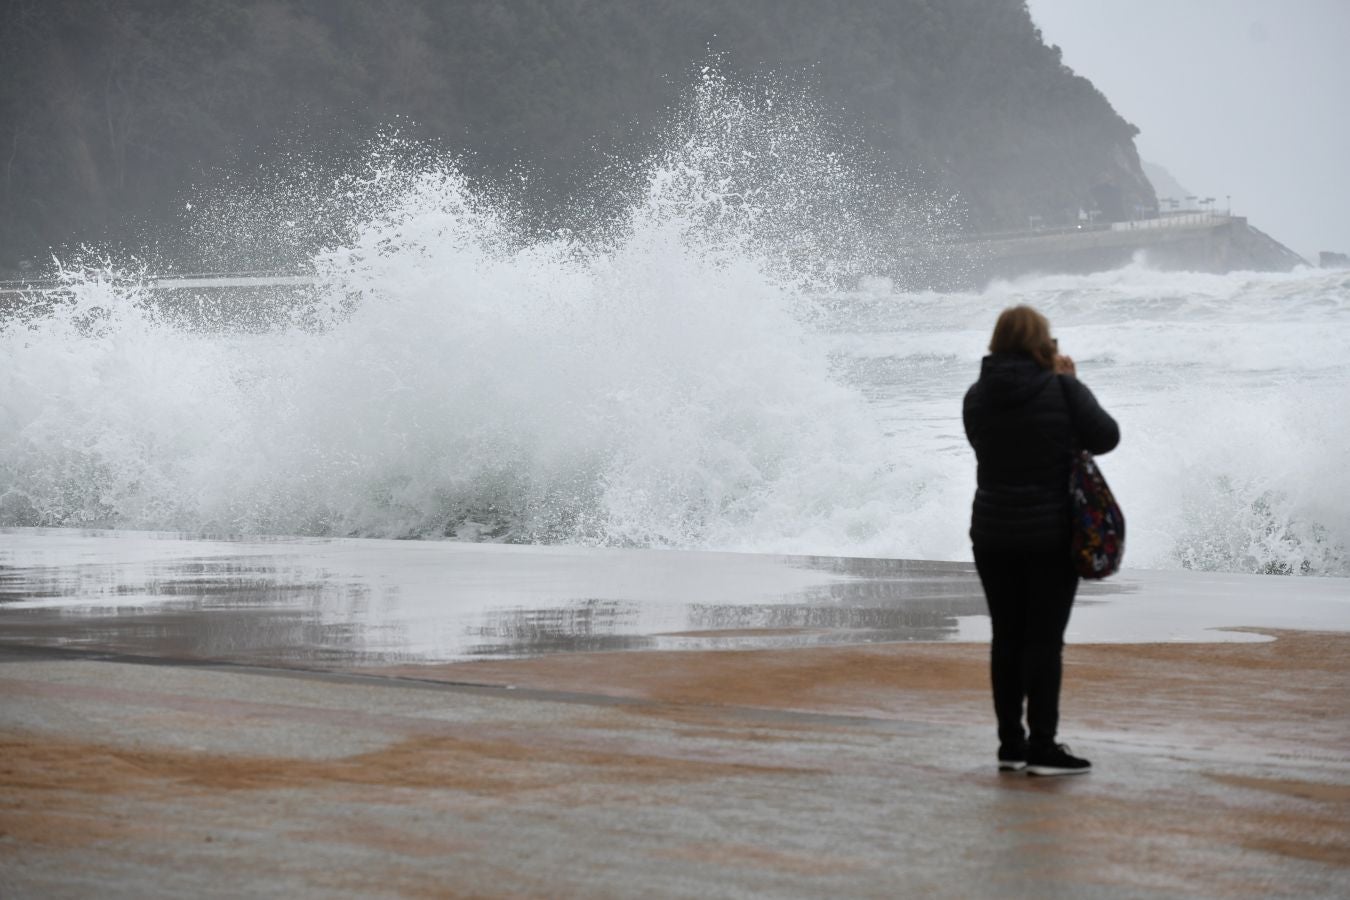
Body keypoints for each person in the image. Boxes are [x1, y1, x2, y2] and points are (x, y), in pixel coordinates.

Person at [962, 306, 1119, 776]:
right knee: (1044, 642)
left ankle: (1011, 744)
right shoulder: (1062, 389)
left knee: (1006, 638)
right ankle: (1043, 746)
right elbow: (1106, 437)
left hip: (992, 534)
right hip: (1050, 535)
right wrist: (1072, 382)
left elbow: (985, 446)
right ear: (1042, 342)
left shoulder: (976, 396)